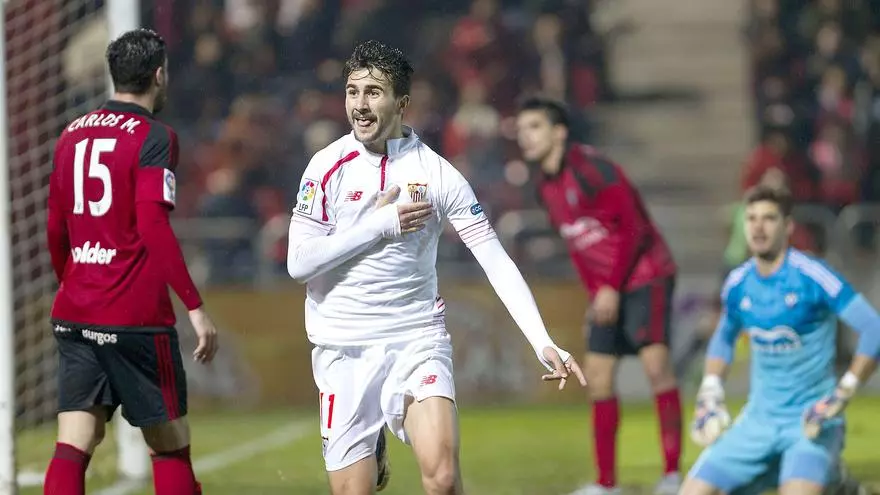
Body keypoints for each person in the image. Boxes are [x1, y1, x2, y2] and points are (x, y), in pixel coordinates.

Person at [286, 40, 586, 495]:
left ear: (402, 103)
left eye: (373, 92)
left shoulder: (438, 174)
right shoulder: (325, 167)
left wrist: (541, 339)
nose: (359, 105)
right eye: (352, 92)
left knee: (443, 478)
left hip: (415, 338)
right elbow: (298, 263)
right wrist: (378, 226)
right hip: (342, 347)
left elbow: (494, 258)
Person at [44, 29, 219, 495]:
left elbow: (56, 227)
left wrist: (73, 282)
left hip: (76, 310)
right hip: (134, 318)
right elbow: (153, 226)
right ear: (159, 75)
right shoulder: (156, 137)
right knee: (169, 444)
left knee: (74, 441)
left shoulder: (70, 134)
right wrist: (194, 305)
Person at [515, 96, 681, 495]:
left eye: (534, 127)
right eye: (521, 129)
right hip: (605, 289)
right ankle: (606, 484)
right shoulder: (545, 188)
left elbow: (634, 228)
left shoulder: (592, 169)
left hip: (646, 275)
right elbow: (579, 247)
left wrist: (610, 286)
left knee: (656, 368)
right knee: (599, 377)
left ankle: (672, 476)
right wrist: (596, 292)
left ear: (559, 132)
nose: (525, 136)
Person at [683, 185, 880, 495]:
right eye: (751, 219)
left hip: (811, 422)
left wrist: (844, 391)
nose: (758, 227)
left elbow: (874, 329)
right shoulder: (738, 283)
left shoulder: (812, 275)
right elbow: (724, 337)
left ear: (787, 227)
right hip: (757, 423)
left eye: (769, 218)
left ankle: (831, 480)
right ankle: (833, 480)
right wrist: (711, 389)